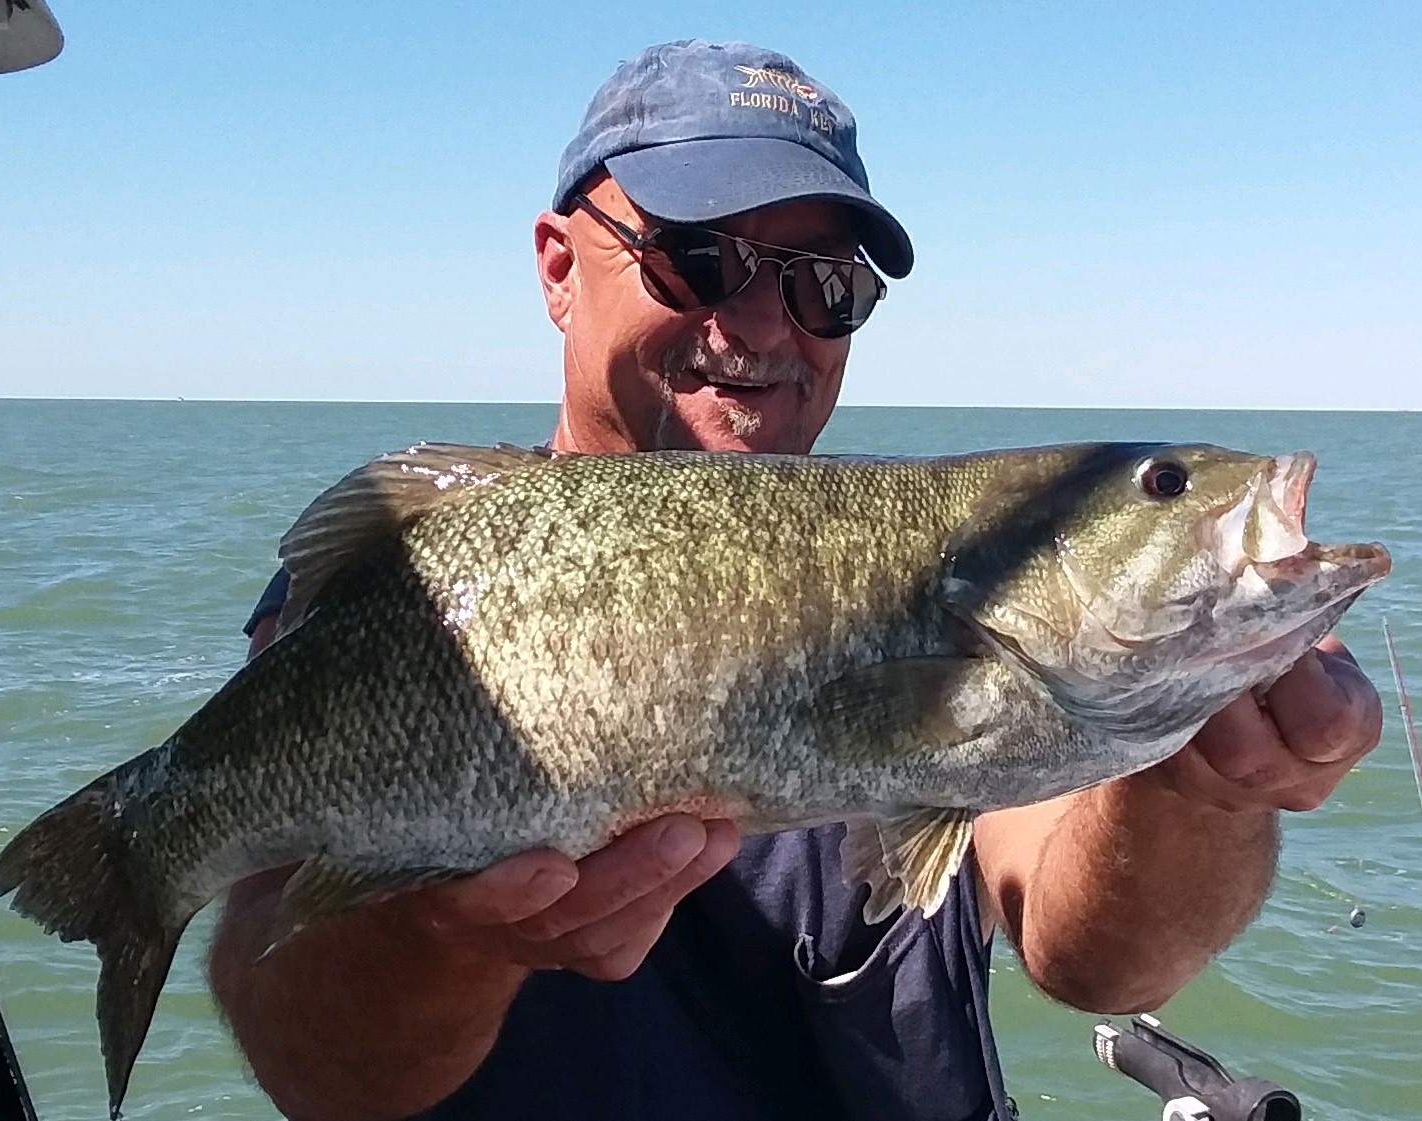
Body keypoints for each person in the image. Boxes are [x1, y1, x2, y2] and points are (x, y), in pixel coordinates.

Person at [208, 40, 1383, 1121]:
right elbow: (322, 1071)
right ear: (560, 267)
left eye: (825, 281)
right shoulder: (415, 587)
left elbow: (1099, 962)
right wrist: (447, 934)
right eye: (702, 256)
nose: (763, 320)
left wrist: (1197, 784)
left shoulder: (934, 574)